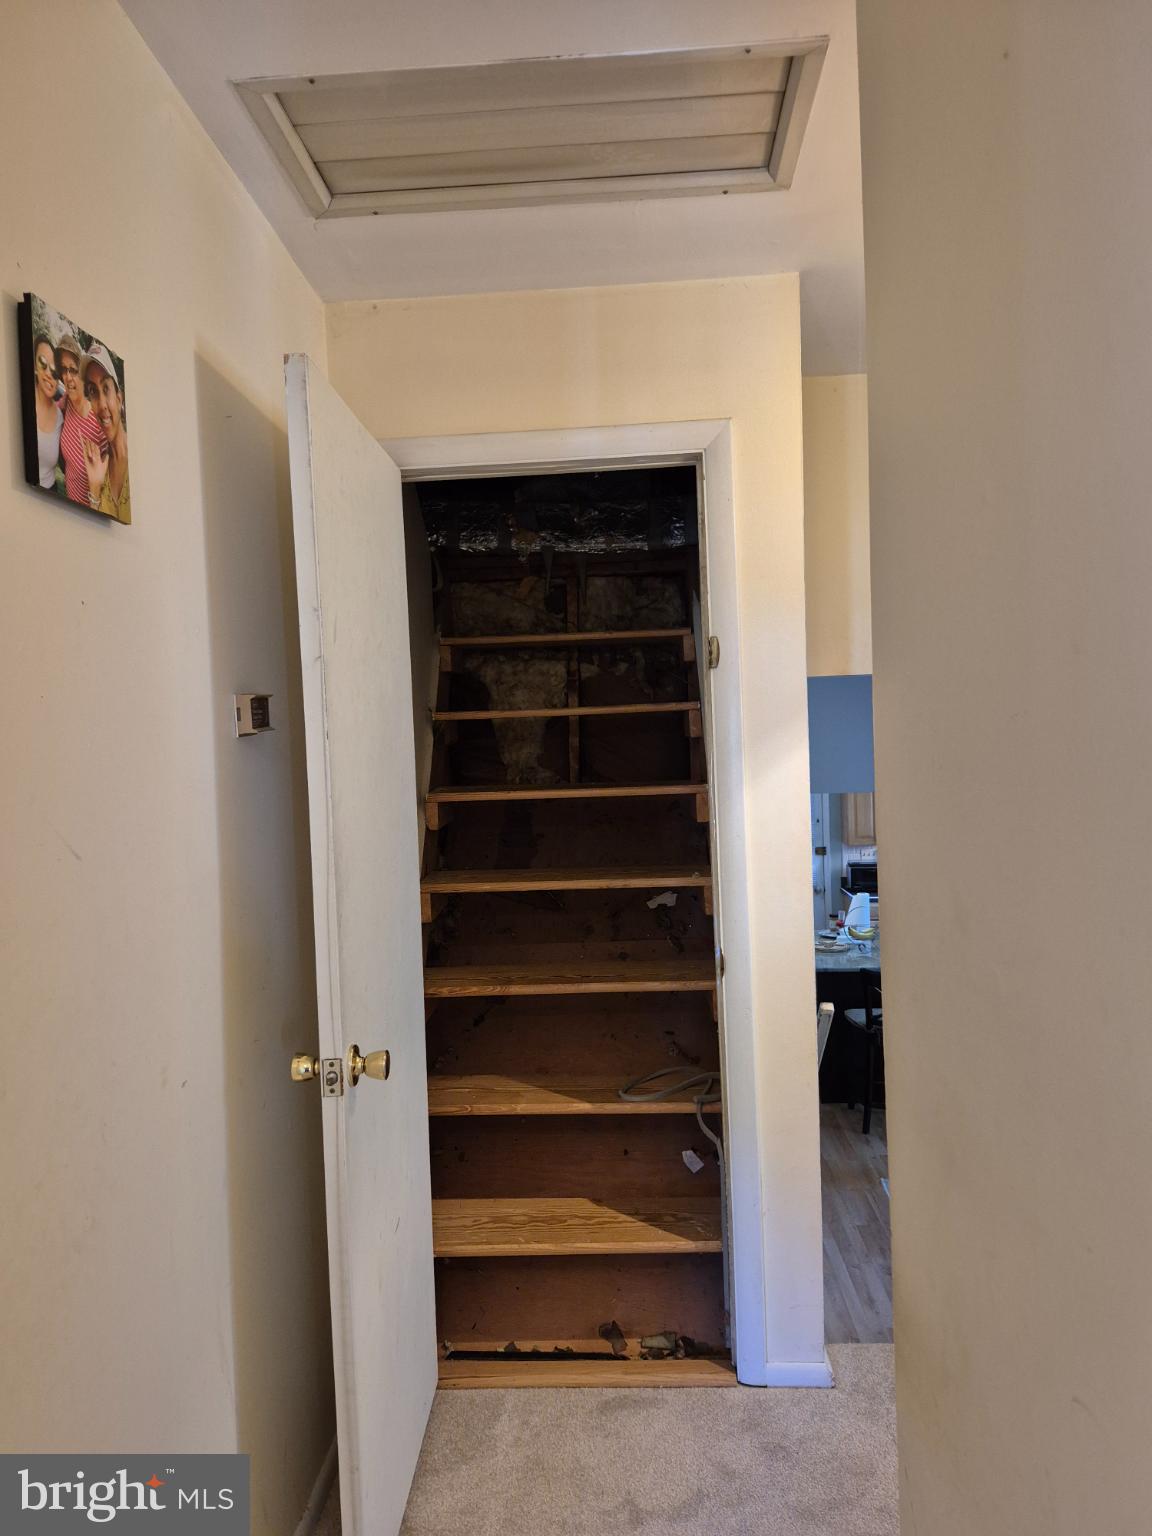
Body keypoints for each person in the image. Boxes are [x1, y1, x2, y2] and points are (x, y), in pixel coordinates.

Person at [82, 344, 130, 524]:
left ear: (119, 398)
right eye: (93, 391)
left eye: (106, 389)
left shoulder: (139, 460)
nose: (101, 404)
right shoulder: (100, 467)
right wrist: (94, 487)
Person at [56, 332, 106, 507]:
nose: (68, 377)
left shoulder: (99, 423)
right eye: (64, 369)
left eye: (74, 370)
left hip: (87, 518)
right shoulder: (66, 402)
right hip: (67, 508)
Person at [32, 333, 64, 491]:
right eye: (42, 363)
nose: (49, 375)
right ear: (34, 367)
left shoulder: (60, 417)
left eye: (55, 371)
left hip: (49, 494)